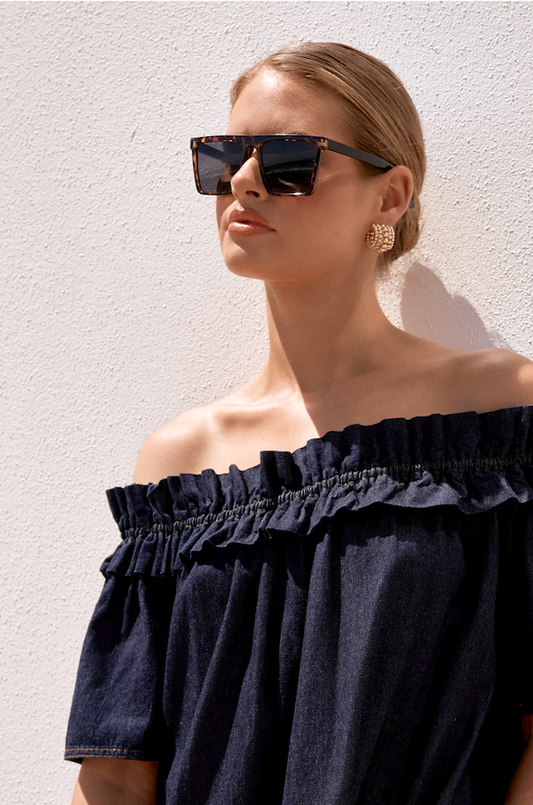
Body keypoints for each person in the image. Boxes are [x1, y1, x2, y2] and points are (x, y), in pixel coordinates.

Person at [65, 42, 533, 805]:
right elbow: (116, 770)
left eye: (287, 158)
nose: (243, 181)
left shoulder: (495, 418)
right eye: (223, 157)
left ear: (389, 196)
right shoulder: (182, 465)